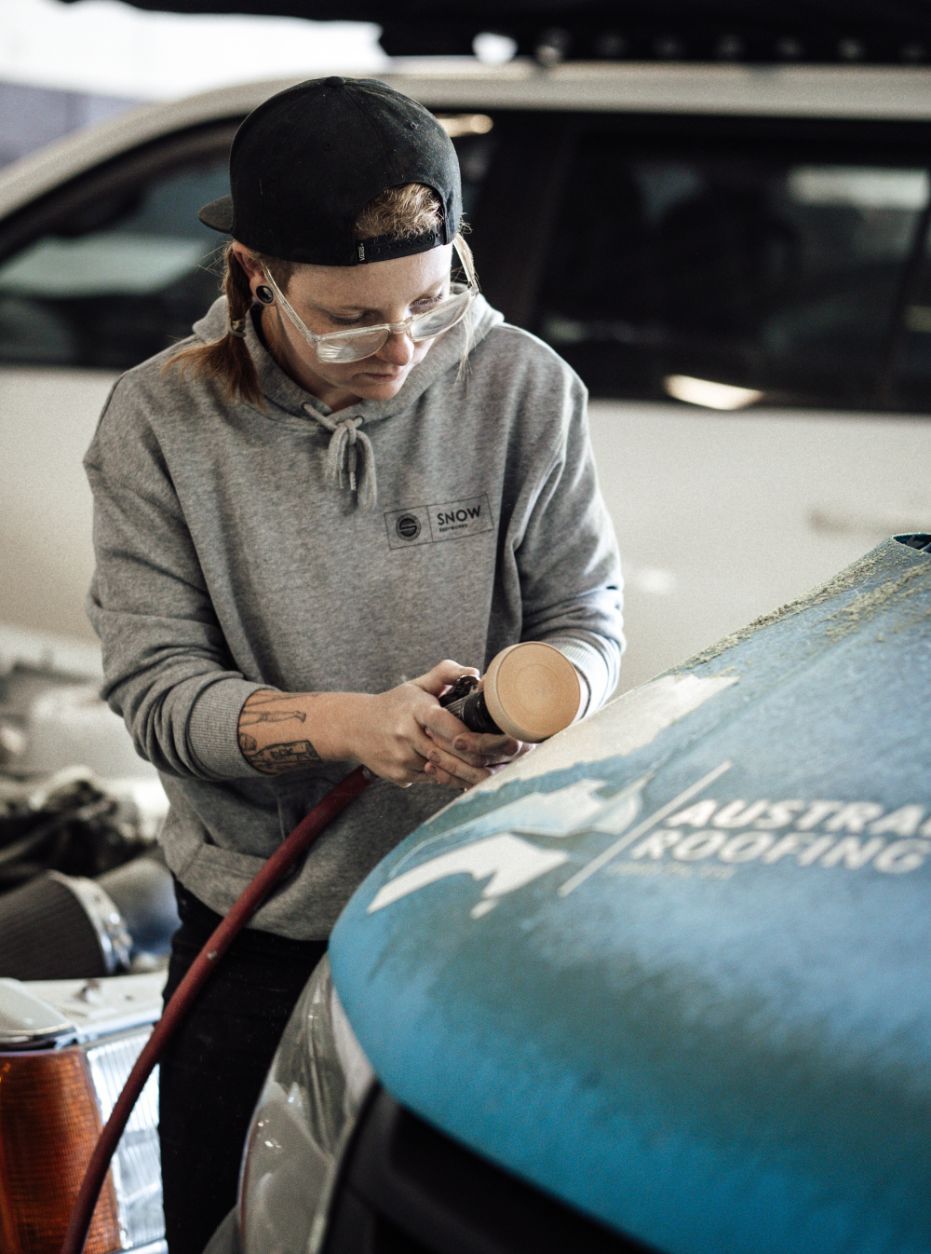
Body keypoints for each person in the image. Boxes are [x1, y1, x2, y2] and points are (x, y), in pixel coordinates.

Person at [83, 75, 623, 1253]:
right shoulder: (159, 423)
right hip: (257, 932)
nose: (399, 350)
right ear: (256, 275)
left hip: (475, 921)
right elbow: (156, 688)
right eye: (350, 318)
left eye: (428, 304)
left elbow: (586, 610)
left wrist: (551, 694)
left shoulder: (519, 385)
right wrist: (341, 726)